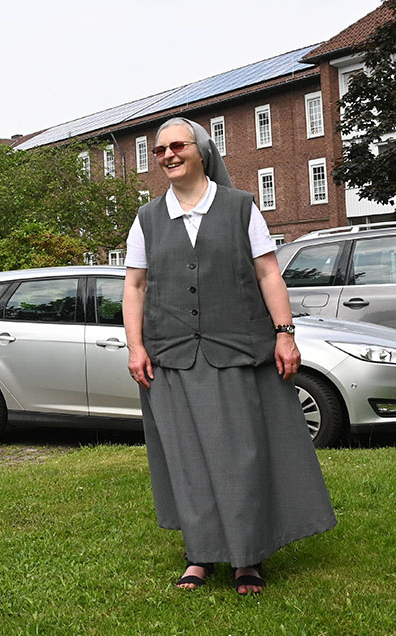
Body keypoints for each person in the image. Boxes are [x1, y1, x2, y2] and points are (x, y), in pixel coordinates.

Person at [122, 117, 336, 596]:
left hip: (237, 353)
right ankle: (199, 555)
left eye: (176, 146)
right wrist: (136, 346)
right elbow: (134, 285)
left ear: (201, 150)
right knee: (188, 458)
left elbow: (268, 274)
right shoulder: (147, 218)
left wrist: (285, 334)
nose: (167, 156)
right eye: (159, 151)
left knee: (242, 456)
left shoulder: (241, 208)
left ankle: (248, 559)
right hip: (171, 357)